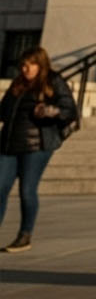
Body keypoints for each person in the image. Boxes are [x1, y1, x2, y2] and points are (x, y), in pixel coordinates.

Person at [0, 46, 77, 253]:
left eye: (30, 65)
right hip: (9, 144)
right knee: (0, 187)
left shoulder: (53, 81)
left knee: (27, 190)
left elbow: (69, 109)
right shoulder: (18, 84)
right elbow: (4, 109)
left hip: (37, 145)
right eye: (23, 65)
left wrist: (48, 110)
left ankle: (25, 235)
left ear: (40, 65)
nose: (26, 69)